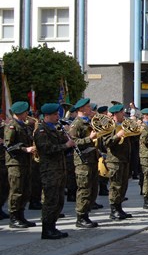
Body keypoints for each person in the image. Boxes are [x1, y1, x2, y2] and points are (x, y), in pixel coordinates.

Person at [34, 103, 76, 239]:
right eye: (55, 114)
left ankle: (53, 226)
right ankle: (47, 229)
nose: (58, 116)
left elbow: (64, 149)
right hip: (50, 170)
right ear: (47, 116)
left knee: (59, 200)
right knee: (50, 200)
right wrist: (65, 145)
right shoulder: (41, 131)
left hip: (60, 169)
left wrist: (69, 141)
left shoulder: (56, 129)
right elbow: (47, 149)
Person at [4, 101, 37, 229]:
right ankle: (14, 217)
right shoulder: (12, 126)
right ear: (20, 113)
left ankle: (21, 215)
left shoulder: (24, 126)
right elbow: (9, 146)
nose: (27, 114)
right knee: (16, 191)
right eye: (25, 112)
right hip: (15, 163)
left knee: (25, 190)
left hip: (26, 162)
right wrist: (25, 149)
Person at [69, 98, 100, 228]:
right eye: (88, 107)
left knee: (93, 189)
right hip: (83, 161)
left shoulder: (89, 122)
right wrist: (89, 138)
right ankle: (81, 217)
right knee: (84, 189)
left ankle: (86, 214)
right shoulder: (76, 124)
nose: (90, 109)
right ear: (81, 109)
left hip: (92, 159)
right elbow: (74, 142)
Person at [103, 104, 134, 220]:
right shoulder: (108, 126)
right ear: (116, 114)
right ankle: (113, 209)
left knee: (123, 185)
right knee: (115, 185)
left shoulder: (125, 124)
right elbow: (106, 142)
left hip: (125, 158)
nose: (124, 114)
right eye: (122, 112)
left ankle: (119, 207)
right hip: (114, 160)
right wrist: (117, 135)